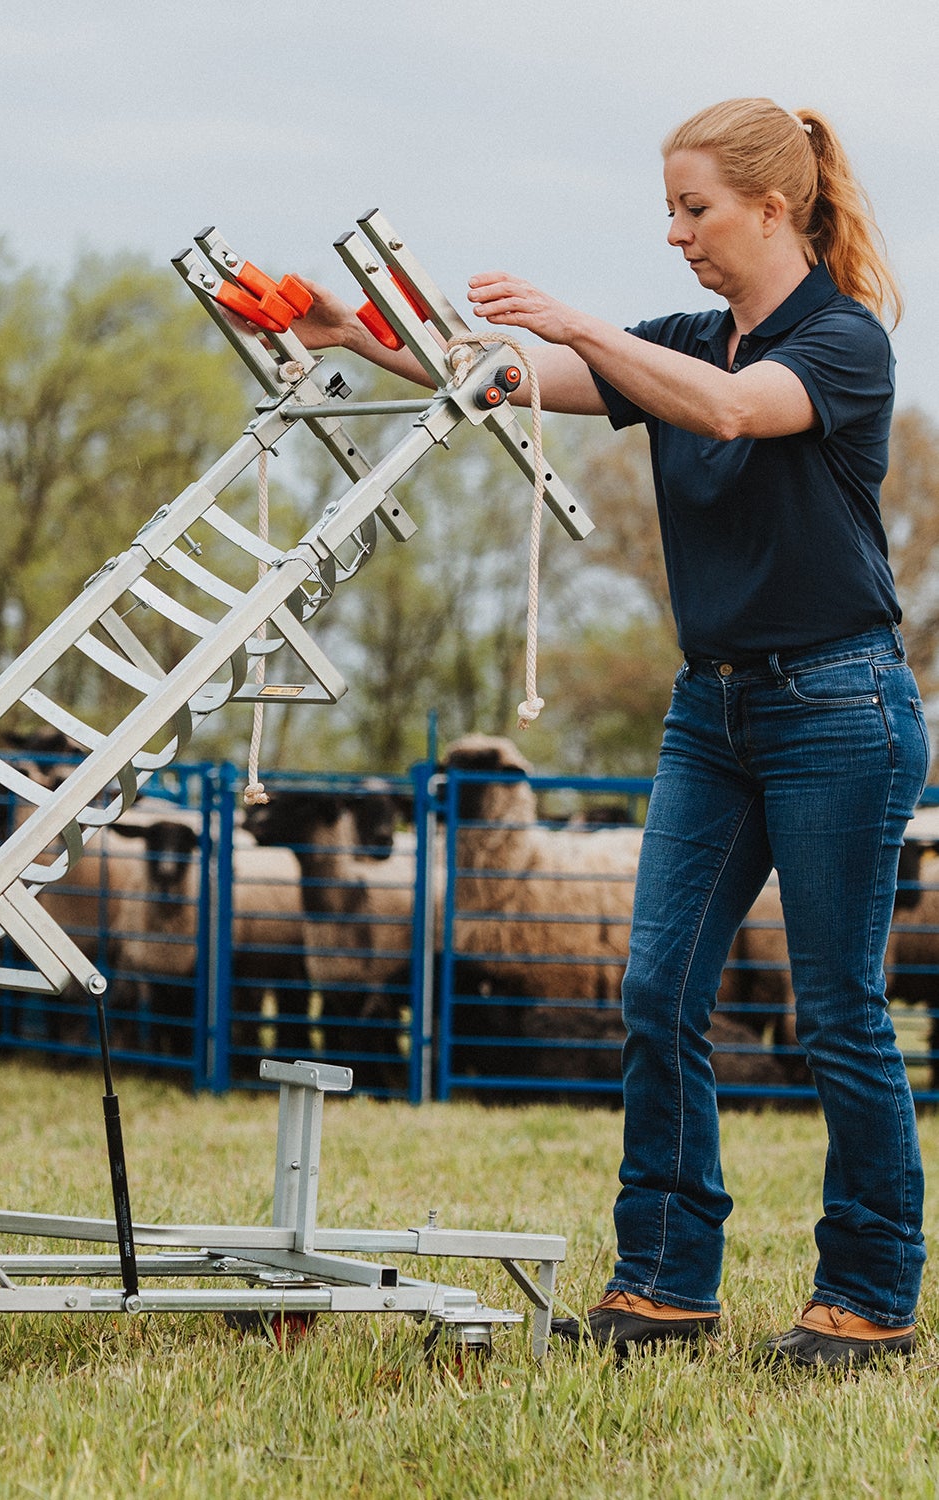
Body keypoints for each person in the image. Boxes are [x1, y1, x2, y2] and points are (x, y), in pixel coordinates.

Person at [286, 97, 926, 1367]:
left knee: (839, 1008)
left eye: (695, 209)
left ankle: (867, 1294)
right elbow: (512, 371)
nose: (677, 231)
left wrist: (575, 315)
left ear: (771, 208)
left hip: (840, 710)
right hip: (716, 711)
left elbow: (737, 411)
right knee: (655, 990)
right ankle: (666, 1285)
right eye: (671, 210)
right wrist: (357, 327)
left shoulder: (845, 345)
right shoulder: (684, 338)